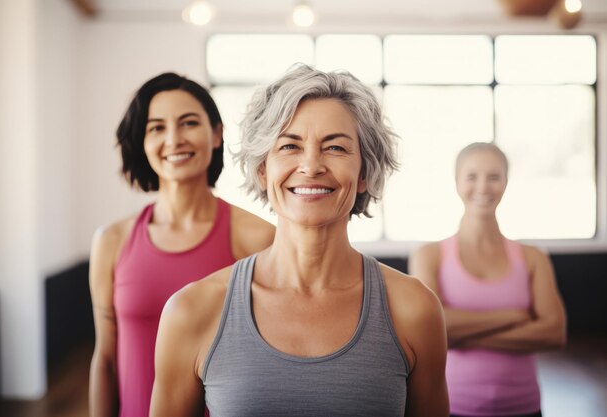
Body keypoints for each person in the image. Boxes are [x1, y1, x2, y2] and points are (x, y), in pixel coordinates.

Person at [150, 65, 449, 417]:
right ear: (263, 170)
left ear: (365, 172)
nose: (310, 166)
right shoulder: (191, 311)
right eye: (290, 145)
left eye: (335, 147)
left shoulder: (415, 309)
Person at [88, 72, 275, 417]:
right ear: (142, 142)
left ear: (216, 134)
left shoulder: (258, 237)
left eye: (188, 123)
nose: (174, 139)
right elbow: (106, 360)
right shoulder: (111, 241)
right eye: (157, 127)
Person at [409, 142, 567, 417]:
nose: (483, 187)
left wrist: (458, 334)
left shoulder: (533, 257)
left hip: (524, 406)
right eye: (472, 176)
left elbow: (554, 333)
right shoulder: (428, 255)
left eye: (494, 176)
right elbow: (429, 333)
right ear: (456, 181)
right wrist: (512, 315)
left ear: (506, 182)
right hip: (453, 406)